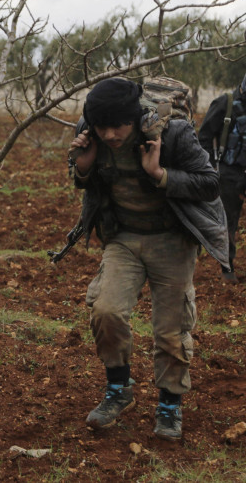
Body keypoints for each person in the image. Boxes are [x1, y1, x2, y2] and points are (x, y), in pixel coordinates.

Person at [67, 78, 228, 441]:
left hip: (172, 239)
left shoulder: (175, 133)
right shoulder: (89, 131)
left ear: (135, 118)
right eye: (101, 126)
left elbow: (209, 183)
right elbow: (79, 177)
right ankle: (118, 388)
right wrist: (84, 167)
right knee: (105, 310)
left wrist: (159, 174)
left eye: (117, 126)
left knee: (170, 331)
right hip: (123, 238)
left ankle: (170, 404)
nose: (109, 134)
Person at [197, 74, 246, 283]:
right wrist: (212, 169)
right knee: (228, 222)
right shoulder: (225, 104)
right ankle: (228, 269)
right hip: (229, 173)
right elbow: (204, 138)